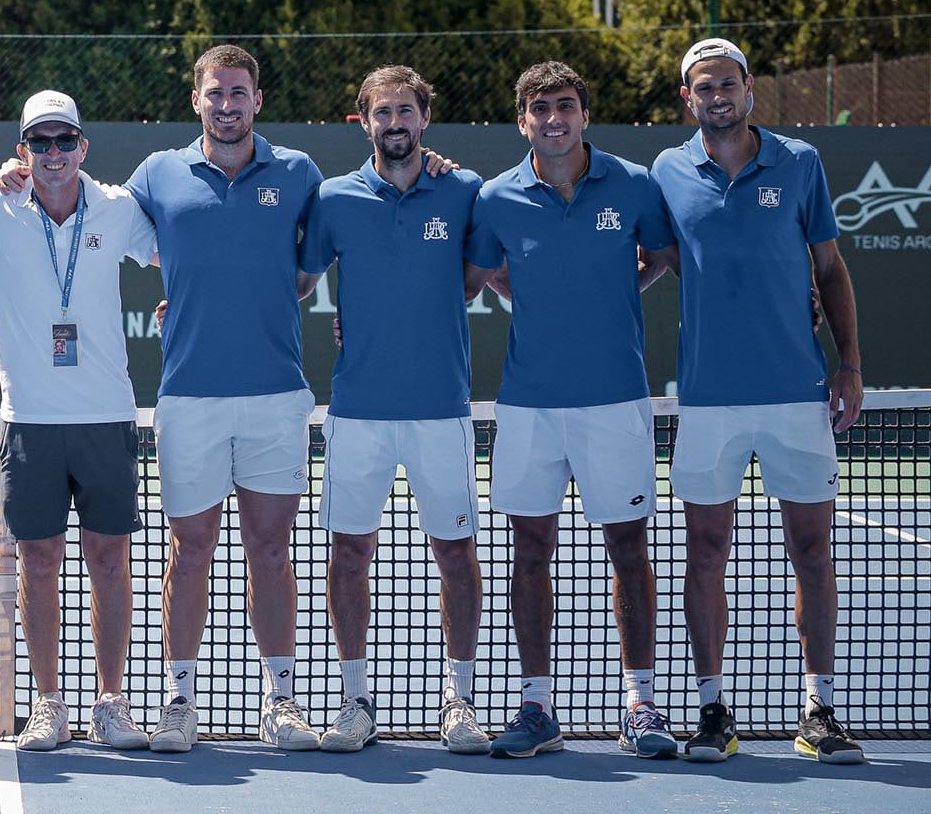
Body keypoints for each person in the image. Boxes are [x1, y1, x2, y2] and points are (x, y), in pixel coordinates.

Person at [652, 38, 866, 764]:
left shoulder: (800, 163)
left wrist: (850, 367)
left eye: (728, 84)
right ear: (688, 99)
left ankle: (821, 711)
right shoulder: (666, 172)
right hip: (708, 402)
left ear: (749, 90)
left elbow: (829, 268)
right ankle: (713, 709)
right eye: (703, 87)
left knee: (812, 549)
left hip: (798, 397)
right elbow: (662, 259)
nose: (717, 96)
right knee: (705, 551)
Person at [466, 62, 680, 759]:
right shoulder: (497, 198)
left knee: (628, 547)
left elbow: (660, 256)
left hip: (616, 398)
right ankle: (536, 705)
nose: (553, 119)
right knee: (530, 550)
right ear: (522, 120)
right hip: (529, 406)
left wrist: (623, 285)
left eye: (565, 106)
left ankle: (641, 703)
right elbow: (485, 272)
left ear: (584, 114)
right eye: (539, 109)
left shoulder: (636, 184)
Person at [127, 44, 324, 754]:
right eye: (216, 94)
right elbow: (95, 217)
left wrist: (433, 162)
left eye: (239, 93)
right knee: (191, 549)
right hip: (188, 397)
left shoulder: (299, 173)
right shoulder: (156, 173)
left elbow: (313, 262)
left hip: (275, 396)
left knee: (272, 550)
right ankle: (179, 701)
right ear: (197, 101)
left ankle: (282, 701)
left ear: (258, 101)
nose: (228, 105)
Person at [296, 66, 491, 756]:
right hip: (358, 411)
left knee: (456, 554)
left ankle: (460, 700)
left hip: (442, 410)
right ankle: (355, 701)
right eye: (382, 113)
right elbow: (296, 281)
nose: (395, 124)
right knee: (348, 553)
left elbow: (479, 275)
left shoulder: (466, 190)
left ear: (424, 118)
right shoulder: (333, 198)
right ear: (365, 121)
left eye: (405, 111)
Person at [0, 90, 158, 752]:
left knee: (109, 561)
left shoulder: (121, 209)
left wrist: (180, 305)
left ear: (82, 147)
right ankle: (48, 704)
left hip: (106, 416)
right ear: (22, 151)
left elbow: (182, 253)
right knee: (37, 562)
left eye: (62, 140)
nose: (51, 153)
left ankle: (111, 702)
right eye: (38, 142)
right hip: (30, 421)